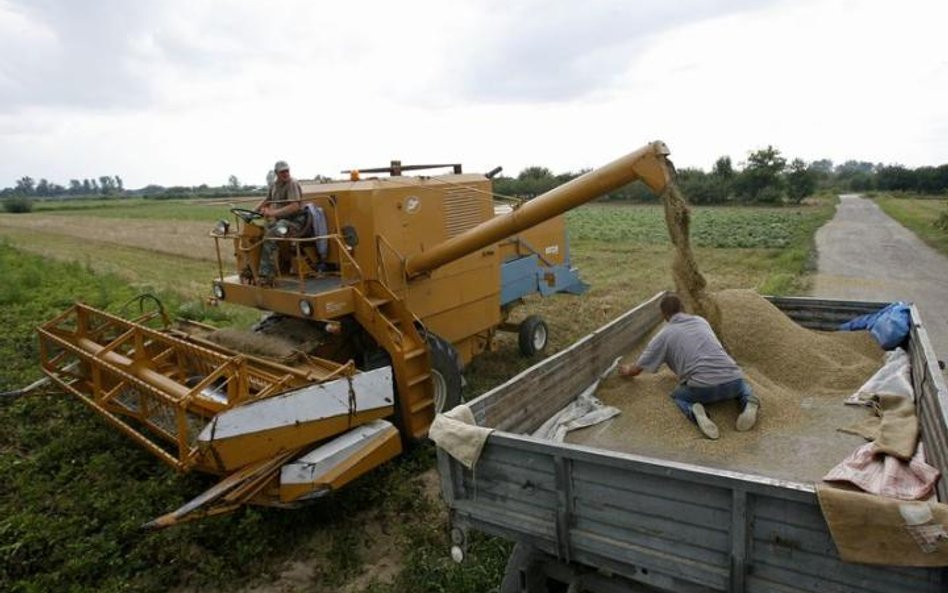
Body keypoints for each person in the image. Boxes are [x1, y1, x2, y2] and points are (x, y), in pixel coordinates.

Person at [618, 293, 759, 440]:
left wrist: (625, 370)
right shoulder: (701, 321)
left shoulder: (663, 335)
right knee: (743, 385)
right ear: (683, 308)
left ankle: (695, 411)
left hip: (702, 389)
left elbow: (637, 369)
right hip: (733, 381)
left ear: (664, 315)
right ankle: (748, 401)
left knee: (678, 396)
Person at [254, 160, 306, 284]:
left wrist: (273, 213)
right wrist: (252, 212)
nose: (286, 173)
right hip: (282, 221)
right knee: (262, 230)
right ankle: (254, 269)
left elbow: (295, 206)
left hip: (295, 223)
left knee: (272, 235)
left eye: (287, 171)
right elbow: (267, 200)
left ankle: (266, 276)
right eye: (283, 171)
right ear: (277, 173)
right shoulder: (274, 186)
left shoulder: (292, 184)